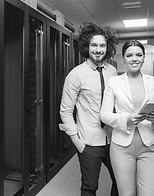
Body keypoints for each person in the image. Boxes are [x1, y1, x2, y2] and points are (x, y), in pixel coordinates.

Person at [100, 40, 154, 196]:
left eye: (139, 55)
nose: (134, 59)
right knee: (126, 194)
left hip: (151, 146)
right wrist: (126, 120)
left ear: (144, 57)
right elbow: (104, 115)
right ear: (123, 58)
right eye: (129, 55)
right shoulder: (114, 82)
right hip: (122, 148)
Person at [59, 22, 119, 196]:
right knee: (89, 187)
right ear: (86, 46)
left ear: (107, 48)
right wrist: (77, 142)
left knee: (121, 181)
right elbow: (65, 110)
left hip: (113, 139)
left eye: (102, 45)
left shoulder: (113, 71)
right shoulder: (76, 74)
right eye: (94, 45)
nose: (98, 49)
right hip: (89, 142)